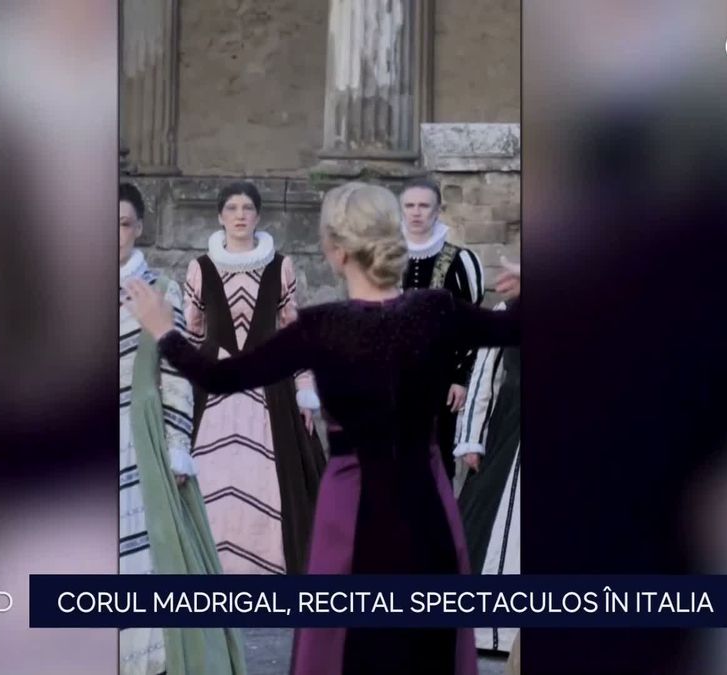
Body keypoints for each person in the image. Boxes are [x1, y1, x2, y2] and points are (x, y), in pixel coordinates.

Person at [125, 182, 521, 675]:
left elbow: (220, 376)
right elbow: (513, 327)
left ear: (335, 251)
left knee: (347, 645)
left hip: (351, 505)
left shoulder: (320, 326)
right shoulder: (437, 310)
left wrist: (164, 330)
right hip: (426, 501)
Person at [118, 183, 246, 675]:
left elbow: (174, 375)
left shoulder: (160, 290)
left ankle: (149, 659)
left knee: (153, 553)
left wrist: (176, 445)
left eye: (123, 224)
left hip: (139, 435)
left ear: (138, 228)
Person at [181, 181, 326, 575]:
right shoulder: (200, 268)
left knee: (269, 479)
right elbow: (192, 333)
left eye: (247, 208)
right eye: (232, 208)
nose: (240, 215)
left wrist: (304, 389)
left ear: (259, 216)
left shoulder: (280, 266)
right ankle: (207, 565)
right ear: (220, 216)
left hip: (270, 383)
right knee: (211, 474)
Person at [399, 177, 487, 479]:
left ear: (437, 210)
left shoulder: (460, 261)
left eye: (424, 206)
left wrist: (461, 378)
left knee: (437, 457)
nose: (416, 212)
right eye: (410, 205)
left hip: (441, 378)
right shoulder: (384, 258)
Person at [453, 299, 521, 656]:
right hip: (510, 424)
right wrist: (471, 438)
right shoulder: (508, 310)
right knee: (489, 518)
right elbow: (482, 378)